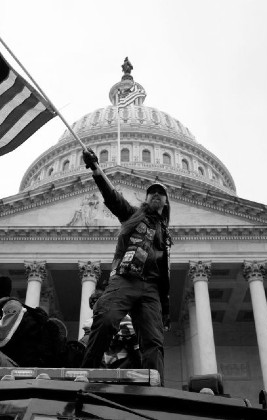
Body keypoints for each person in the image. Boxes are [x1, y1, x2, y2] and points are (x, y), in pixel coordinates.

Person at [80, 147, 172, 384]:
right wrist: (96, 170)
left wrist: (166, 308)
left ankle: (156, 385)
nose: (155, 196)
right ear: (146, 199)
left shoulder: (164, 235)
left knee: (153, 339)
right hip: (125, 279)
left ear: (165, 203)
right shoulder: (133, 216)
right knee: (107, 318)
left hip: (150, 289)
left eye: (160, 194)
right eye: (151, 193)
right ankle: (86, 371)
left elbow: (164, 276)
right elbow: (113, 198)